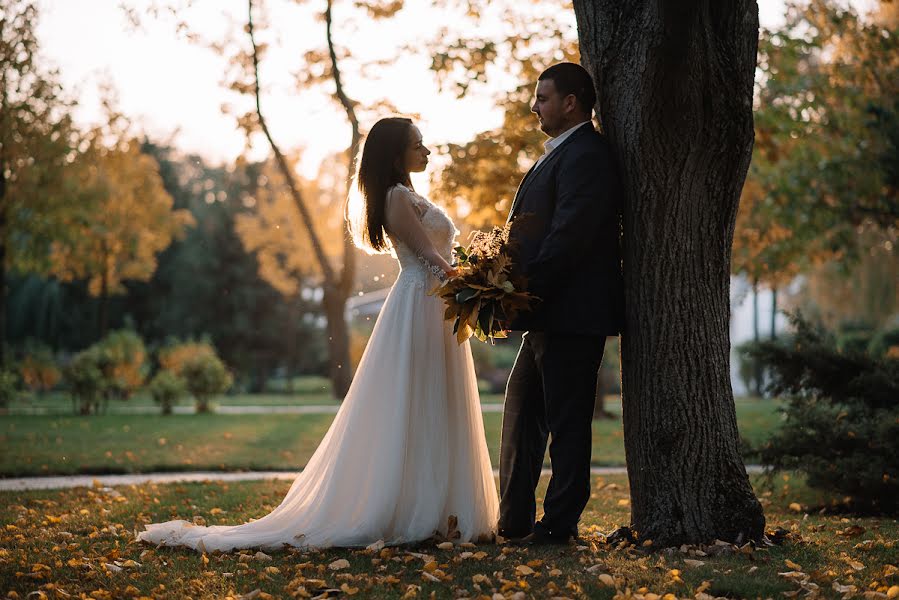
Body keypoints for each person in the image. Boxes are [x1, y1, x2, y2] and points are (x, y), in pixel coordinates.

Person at [136, 117, 499, 552]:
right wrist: (473, 284)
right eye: (419, 145)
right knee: (417, 398)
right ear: (396, 153)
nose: (427, 152)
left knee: (438, 399)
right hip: (421, 302)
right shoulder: (397, 197)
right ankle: (415, 512)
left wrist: (471, 279)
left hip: (436, 304)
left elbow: (439, 254)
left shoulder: (411, 194)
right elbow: (428, 255)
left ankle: (443, 510)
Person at [498, 62, 625, 545]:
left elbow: (568, 236)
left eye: (543, 98)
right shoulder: (558, 154)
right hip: (546, 313)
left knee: (568, 425)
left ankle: (558, 525)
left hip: (573, 312)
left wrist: (523, 291)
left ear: (571, 102)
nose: (534, 107)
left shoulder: (588, 154)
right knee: (521, 411)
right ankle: (514, 521)